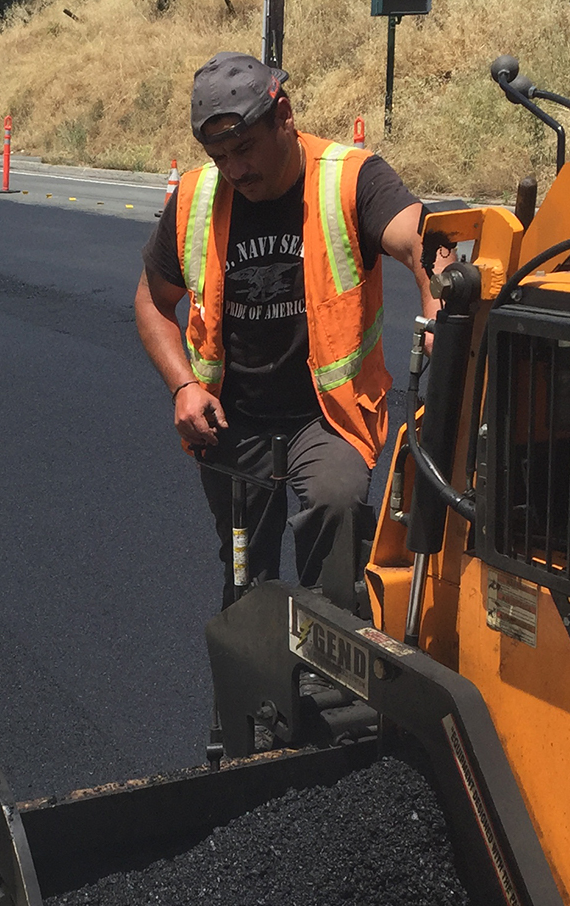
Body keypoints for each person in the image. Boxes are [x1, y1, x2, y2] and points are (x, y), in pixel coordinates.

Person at [134, 52, 437, 610]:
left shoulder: (350, 179)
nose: (235, 170)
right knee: (246, 580)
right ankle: (256, 674)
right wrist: (183, 385)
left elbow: (423, 239)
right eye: (219, 157)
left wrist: (435, 297)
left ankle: (333, 659)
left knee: (337, 510)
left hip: (327, 418)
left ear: (284, 115)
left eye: (245, 149)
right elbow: (153, 303)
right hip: (232, 421)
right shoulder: (198, 198)